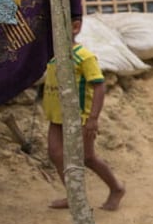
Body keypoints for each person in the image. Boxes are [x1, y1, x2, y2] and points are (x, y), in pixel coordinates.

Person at [44, 17, 125, 211]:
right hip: (56, 117)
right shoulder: (55, 56)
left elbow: (99, 86)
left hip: (79, 116)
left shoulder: (84, 57)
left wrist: (93, 119)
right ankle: (74, 196)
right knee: (55, 153)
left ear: (75, 27)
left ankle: (116, 188)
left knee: (87, 157)